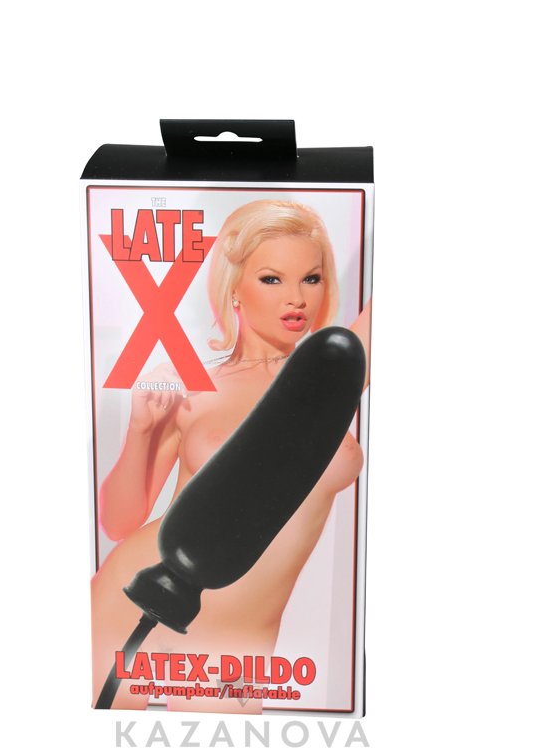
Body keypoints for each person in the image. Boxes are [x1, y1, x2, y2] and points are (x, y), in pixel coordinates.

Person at [91, 199, 372, 712]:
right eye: (272, 279)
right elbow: (118, 521)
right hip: (133, 602)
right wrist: (139, 430)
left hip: (239, 646)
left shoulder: (332, 376)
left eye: (311, 278)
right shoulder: (194, 386)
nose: (296, 298)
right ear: (235, 287)